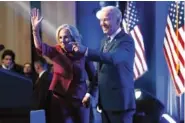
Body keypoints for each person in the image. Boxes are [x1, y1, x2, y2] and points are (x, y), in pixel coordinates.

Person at [70, 6, 136, 123]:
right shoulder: (104, 41)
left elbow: (113, 58)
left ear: (118, 20)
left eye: (106, 19)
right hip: (105, 105)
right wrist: (90, 94)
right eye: (100, 20)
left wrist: (86, 51)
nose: (102, 24)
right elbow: (100, 72)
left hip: (121, 105)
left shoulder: (126, 41)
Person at [30, 8, 97, 123]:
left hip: (80, 100)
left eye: (66, 37)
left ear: (73, 37)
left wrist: (89, 95)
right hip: (59, 99)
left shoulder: (83, 52)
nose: (62, 40)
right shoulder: (56, 50)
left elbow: (94, 78)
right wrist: (35, 31)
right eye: (60, 37)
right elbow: (40, 47)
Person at [31, 57, 52, 123]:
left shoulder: (44, 79)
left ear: (37, 66)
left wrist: (37, 112)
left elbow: (42, 97)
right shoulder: (48, 76)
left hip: (42, 112)